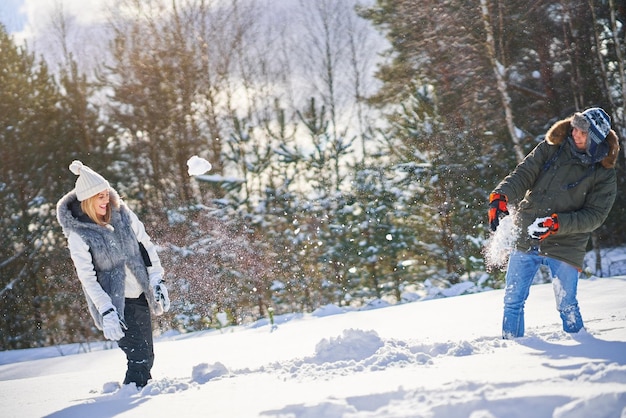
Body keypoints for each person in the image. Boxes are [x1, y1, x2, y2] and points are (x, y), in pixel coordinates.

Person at [488, 107, 619, 339]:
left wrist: (556, 224)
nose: (575, 132)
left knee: (566, 304)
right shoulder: (553, 147)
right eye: (576, 126)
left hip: (566, 243)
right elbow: (525, 172)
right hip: (528, 232)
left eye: (583, 131)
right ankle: (510, 351)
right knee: (512, 300)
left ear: (596, 139)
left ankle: (584, 348)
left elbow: (595, 216)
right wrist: (502, 196)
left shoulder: (604, 173)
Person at [57, 160, 171, 388]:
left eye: (106, 193)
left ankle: (135, 395)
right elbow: (87, 278)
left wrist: (157, 279)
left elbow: (146, 247)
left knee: (146, 356)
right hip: (116, 303)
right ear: (87, 200)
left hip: (139, 294)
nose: (106, 199)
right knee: (138, 356)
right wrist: (106, 310)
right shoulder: (79, 235)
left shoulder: (123, 215)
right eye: (99, 196)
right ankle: (130, 399)